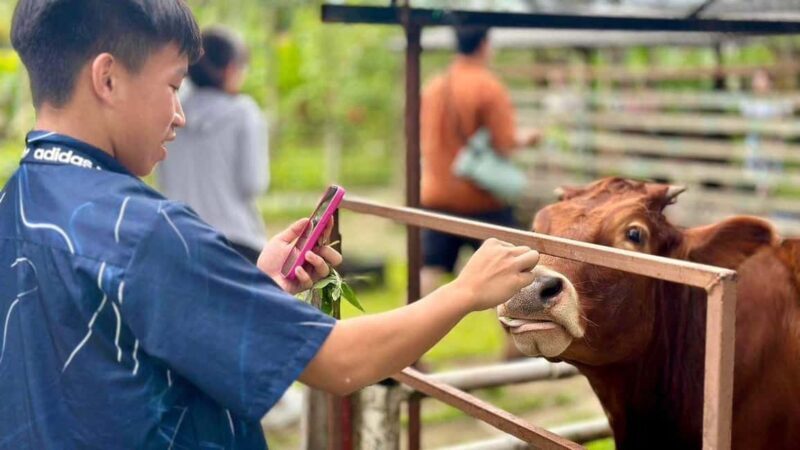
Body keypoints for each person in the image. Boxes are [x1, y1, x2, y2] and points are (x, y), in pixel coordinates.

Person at [0, 1, 540, 449]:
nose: (180, 114)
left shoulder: (18, 199)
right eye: (173, 86)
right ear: (108, 78)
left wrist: (255, 288)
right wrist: (466, 291)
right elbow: (338, 363)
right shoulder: (142, 231)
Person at [420, 25, 540, 296]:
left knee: (430, 268)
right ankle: (514, 338)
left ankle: (405, 333)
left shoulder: (435, 86)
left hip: (437, 193)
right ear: (485, 44)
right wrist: (528, 138)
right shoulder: (488, 87)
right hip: (481, 198)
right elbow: (504, 143)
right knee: (513, 269)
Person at [157, 26, 268, 264]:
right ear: (230, 69)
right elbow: (254, 183)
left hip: (180, 238)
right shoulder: (244, 112)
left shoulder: (173, 109)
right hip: (238, 243)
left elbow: (163, 177)